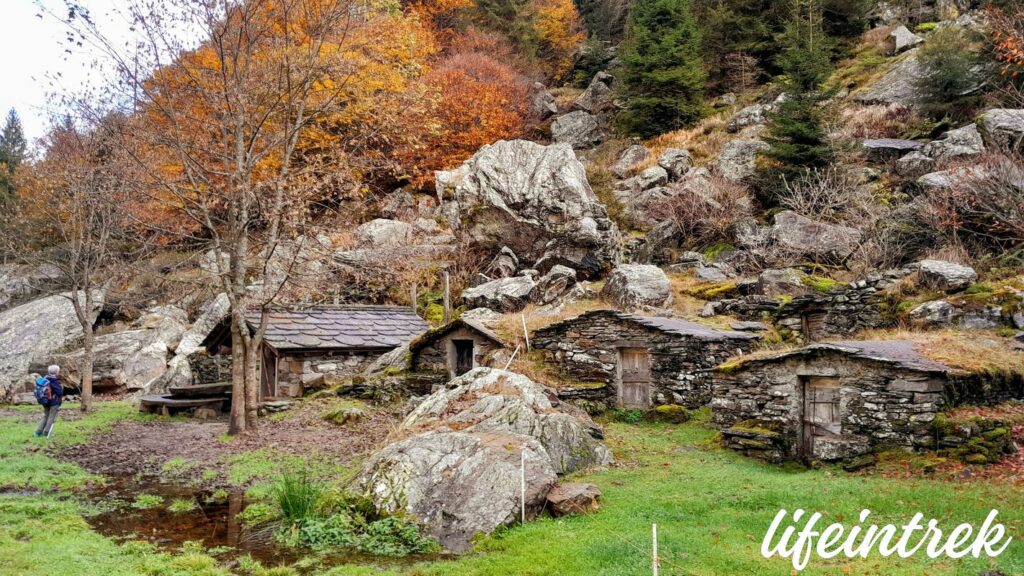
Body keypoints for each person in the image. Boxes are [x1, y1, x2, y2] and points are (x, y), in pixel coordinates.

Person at [34, 365, 64, 439]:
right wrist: (61, 388)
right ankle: (47, 432)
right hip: (53, 402)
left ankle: (38, 432)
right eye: (58, 371)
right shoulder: (54, 380)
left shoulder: (45, 378)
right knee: (51, 417)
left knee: (45, 416)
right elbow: (59, 393)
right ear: (56, 372)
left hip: (45, 401)